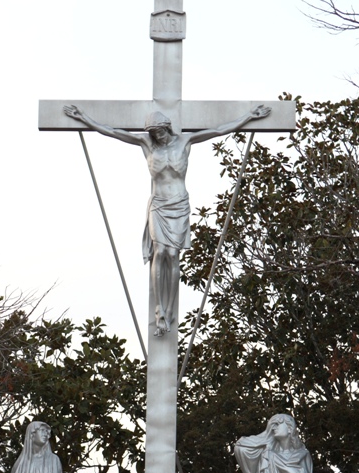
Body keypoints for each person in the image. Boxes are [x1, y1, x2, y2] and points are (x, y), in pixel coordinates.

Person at [63, 103, 271, 335]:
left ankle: (170, 310)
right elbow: (112, 131)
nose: (157, 137)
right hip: (159, 205)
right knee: (159, 253)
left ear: (167, 128)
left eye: (159, 132)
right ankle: (159, 310)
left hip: (179, 204)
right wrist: (83, 117)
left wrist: (249, 117)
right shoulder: (147, 144)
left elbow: (221, 130)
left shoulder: (186, 141)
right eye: (153, 134)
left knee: (173, 255)